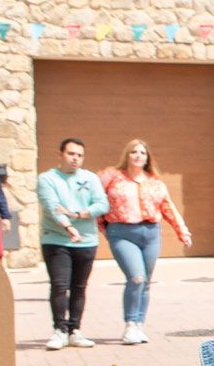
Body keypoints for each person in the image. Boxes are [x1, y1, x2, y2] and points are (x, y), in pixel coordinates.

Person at [100, 139, 193, 346]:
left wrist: (182, 231)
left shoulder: (155, 182)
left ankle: (140, 323)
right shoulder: (112, 178)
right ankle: (130, 324)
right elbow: (98, 201)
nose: (138, 155)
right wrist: (103, 227)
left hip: (150, 233)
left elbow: (168, 207)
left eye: (142, 152)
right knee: (136, 277)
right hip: (122, 232)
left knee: (146, 282)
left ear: (147, 157)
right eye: (134, 151)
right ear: (127, 155)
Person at [37, 137, 109, 351]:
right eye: (71, 154)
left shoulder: (90, 178)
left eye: (79, 155)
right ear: (60, 155)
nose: (75, 159)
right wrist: (68, 226)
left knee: (79, 287)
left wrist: (80, 214)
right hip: (56, 240)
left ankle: (74, 330)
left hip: (86, 241)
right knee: (60, 285)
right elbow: (52, 206)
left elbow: (102, 203)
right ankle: (59, 330)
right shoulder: (48, 179)